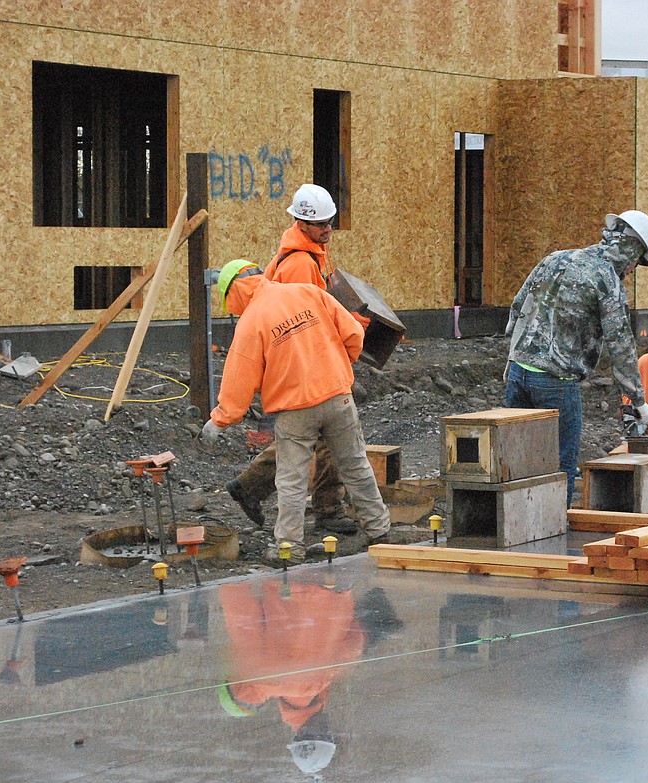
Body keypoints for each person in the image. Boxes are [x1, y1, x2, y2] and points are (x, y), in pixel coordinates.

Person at [199, 259, 390, 564]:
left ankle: (290, 548)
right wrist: (341, 368)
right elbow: (354, 332)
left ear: (233, 292)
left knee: (292, 480)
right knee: (356, 465)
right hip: (338, 397)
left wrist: (220, 420)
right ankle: (379, 530)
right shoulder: (308, 293)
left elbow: (239, 382)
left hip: (295, 410)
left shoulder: (251, 322)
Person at [226, 184, 359, 534]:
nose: (328, 229)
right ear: (301, 223)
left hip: (307, 361)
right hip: (303, 363)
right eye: (322, 225)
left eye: (331, 222)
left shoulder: (310, 251)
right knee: (324, 436)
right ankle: (327, 508)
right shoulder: (300, 263)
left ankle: (251, 487)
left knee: (307, 437)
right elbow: (306, 322)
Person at [505, 210, 648, 504]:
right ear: (632, 251)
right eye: (636, 264)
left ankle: (515, 531)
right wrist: (638, 401)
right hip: (557, 384)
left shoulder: (555, 258)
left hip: (518, 374)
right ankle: (552, 533)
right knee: (561, 468)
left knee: (517, 464)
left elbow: (518, 308)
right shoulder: (607, 281)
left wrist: (512, 359)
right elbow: (621, 346)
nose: (632, 271)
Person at [217, 575, 402, 776]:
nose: (329, 729)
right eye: (329, 736)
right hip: (293, 583)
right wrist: (233, 583)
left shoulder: (309, 682)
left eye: (323, 734)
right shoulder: (273, 682)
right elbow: (244, 620)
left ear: (303, 734)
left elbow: (355, 642)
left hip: (327, 586)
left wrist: (372, 632)